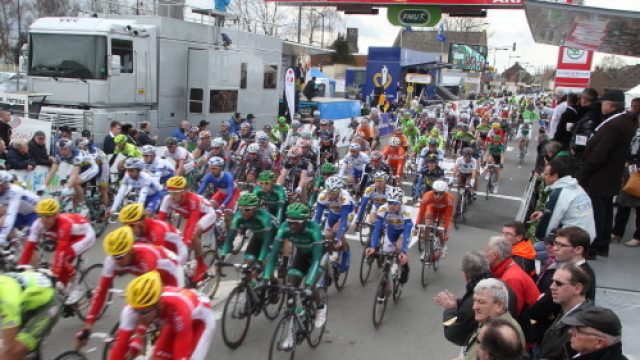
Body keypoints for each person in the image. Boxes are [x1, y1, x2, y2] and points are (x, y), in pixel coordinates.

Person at [75, 226, 185, 347]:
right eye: (114, 257)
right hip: (150, 276)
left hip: (172, 273)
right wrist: (88, 326)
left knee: (164, 319)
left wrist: (140, 332)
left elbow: (152, 293)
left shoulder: (146, 259)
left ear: (131, 251)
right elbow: (101, 292)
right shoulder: (112, 261)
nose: (117, 261)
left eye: (120, 257)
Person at [578, 90, 637, 259]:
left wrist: (584, 172)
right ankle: (602, 245)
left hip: (600, 176)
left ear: (610, 105)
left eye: (604, 103)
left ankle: (594, 246)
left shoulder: (614, 125)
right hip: (609, 175)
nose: (601, 106)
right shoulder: (623, 122)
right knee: (605, 210)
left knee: (597, 213)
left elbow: (600, 153)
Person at [107, 271, 215, 360]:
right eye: (136, 311)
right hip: (172, 321)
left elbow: (182, 353)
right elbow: (120, 347)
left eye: (144, 312)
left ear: (158, 305)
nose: (139, 317)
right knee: (157, 357)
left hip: (201, 321)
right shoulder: (131, 310)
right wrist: (136, 342)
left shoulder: (178, 309)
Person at [261, 202, 327, 345]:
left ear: (304, 221)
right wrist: (266, 277)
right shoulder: (284, 227)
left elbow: (316, 260)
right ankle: (294, 323)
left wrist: (309, 284)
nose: (291, 226)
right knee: (290, 285)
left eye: (295, 223)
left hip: (318, 257)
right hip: (302, 254)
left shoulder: (313, 229)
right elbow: (273, 255)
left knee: (309, 284)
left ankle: (321, 307)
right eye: (290, 221)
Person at [19, 199, 96, 305]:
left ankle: (77, 287)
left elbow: (60, 252)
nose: (44, 220)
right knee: (61, 275)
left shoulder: (64, 224)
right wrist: (21, 267)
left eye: (48, 216)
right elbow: (29, 247)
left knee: (62, 259)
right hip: (70, 238)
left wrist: (55, 273)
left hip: (85, 236)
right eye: (42, 216)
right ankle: (65, 291)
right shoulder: (38, 224)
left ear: (56, 215)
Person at [531, 157, 596, 243]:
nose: (544, 176)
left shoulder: (559, 194)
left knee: (536, 251)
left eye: (546, 174)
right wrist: (543, 212)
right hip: (587, 236)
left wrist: (538, 239)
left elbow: (549, 225)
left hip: (573, 240)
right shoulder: (577, 187)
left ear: (555, 176)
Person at [434, 251, 492, 346]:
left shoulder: (473, 302)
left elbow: (452, 333)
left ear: (465, 275)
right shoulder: (494, 284)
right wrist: (458, 303)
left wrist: (450, 309)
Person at [0, 270, 60, 360]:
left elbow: (8, 348)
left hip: (49, 304)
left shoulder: (8, 303)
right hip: (27, 301)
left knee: (10, 353)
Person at [538, 264, 593, 360]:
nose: (551, 287)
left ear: (577, 288)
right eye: (552, 282)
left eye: (558, 283)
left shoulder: (585, 325)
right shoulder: (566, 311)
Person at [463, 278, 525, 360]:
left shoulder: (506, 333)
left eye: (481, 302)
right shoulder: (488, 321)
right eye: (474, 301)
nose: (475, 307)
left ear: (499, 305)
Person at [365, 187, 412, 285]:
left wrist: (403, 251)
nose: (392, 206)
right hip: (390, 232)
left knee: (399, 249)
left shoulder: (405, 211)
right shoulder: (383, 208)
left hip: (402, 233)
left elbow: (407, 231)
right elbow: (377, 229)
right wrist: (373, 246)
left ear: (400, 202)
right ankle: (384, 284)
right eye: (390, 202)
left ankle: (405, 268)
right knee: (386, 257)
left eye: (395, 203)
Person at [484, 236, 540, 317]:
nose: (484, 253)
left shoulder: (511, 278)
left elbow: (512, 313)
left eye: (486, 250)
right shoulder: (509, 267)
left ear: (494, 255)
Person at [118, 203, 188, 264]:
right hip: (165, 248)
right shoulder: (143, 228)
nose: (128, 230)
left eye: (131, 226)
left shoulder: (156, 231)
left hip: (179, 254)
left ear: (141, 223)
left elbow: (161, 259)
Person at [220, 193, 274, 265]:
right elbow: (230, 237)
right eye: (241, 209)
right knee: (248, 260)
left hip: (272, 237)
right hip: (257, 236)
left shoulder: (264, 217)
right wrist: (222, 256)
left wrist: (261, 259)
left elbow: (267, 241)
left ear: (255, 209)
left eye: (246, 209)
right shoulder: (238, 216)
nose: (243, 212)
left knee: (266, 262)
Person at [552, 226, 596, 301]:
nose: (554, 248)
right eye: (555, 243)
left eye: (561, 245)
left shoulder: (583, 275)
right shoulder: (565, 268)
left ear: (578, 250)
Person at [0, 171, 39, 248]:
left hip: (35, 213)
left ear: (5, 185)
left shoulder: (14, 190)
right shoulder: (2, 191)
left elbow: (11, 215)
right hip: (21, 213)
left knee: (28, 243)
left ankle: (26, 255)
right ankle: (16, 247)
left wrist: (2, 237)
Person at [415, 180, 454, 255]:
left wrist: (445, 229)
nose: (438, 196)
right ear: (433, 191)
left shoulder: (449, 199)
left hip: (444, 211)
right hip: (432, 209)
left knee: (440, 231)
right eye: (435, 193)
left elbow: (448, 216)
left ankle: (443, 245)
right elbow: (421, 212)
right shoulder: (427, 196)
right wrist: (417, 224)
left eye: (441, 193)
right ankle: (426, 249)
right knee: (427, 226)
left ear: (445, 193)